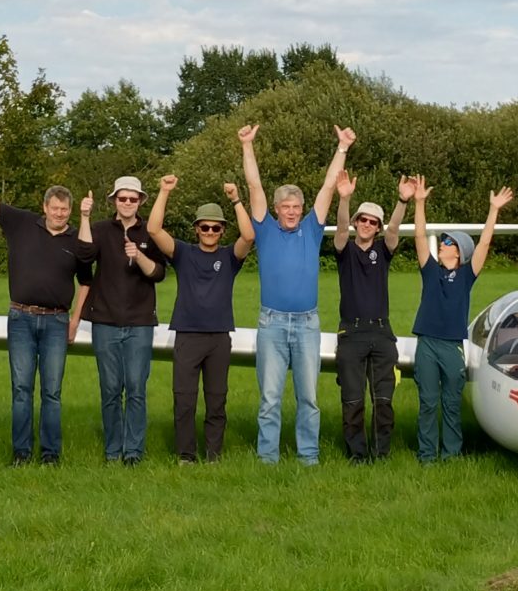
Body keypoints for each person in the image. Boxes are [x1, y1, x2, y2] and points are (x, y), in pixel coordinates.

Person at [236, 122, 354, 467]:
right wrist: (247, 146)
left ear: (302, 209)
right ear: (276, 209)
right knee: (270, 397)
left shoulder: (313, 228)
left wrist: (342, 147)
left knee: (309, 397)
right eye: (285, 207)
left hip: (307, 324)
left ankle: (308, 457)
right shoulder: (265, 229)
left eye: (296, 207)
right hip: (271, 323)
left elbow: (329, 187)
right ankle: (267, 458)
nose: (291, 212)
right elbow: (254, 184)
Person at [0, 142, 90, 467]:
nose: (60, 214)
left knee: (52, 392)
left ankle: (50, 455)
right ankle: (21, 454)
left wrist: (75, 320)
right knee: (22, 389)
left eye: (65, 210)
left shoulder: (76, 240)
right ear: (45, 207)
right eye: (55, 208)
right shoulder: (22, 223)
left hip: (56, 322)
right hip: (21, 318)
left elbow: (87, 282)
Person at [146, 176, 250, 463]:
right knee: (184, 399)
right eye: (204, 227)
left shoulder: (230, 257)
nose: (210, 231)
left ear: (222, 231)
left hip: (218, 337)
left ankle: (214, 454)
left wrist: (236, 200)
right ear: (196, 229)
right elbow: (154, 229)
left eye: (216, 228)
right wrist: (164, 191)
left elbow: (249, 236)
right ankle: (185, 455)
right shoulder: (184, 253)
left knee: (217, 400)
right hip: (188, 336)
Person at [406, 177, 510, 463]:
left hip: (452, 347)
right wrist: (419, 202)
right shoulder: (430, 270)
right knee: (427, 403)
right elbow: (418, 236)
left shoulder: (466, 274)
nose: (442, 244)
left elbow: (485, 242)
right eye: (443, 240)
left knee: (451, 403)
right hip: (427, 343)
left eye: (448, 242)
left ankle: (451, 455)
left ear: (460, 251)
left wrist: (493, 211)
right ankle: (427, 455)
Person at [75, 175, 165, 465]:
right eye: (122, 198)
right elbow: (84, 255)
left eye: (133, 198)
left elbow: (159, 274)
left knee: (136, 389)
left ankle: (133, 452)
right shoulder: (101, 230)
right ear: (113, 200)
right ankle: (113, 451)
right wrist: (85, 217)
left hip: (140, 322)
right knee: (111, 389)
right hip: (105, 322)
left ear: (140, 201)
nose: (127, 203)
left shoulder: (150, 232)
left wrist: (138, 256)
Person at [330, 180, 398, 462]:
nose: (368, 224)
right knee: (353, 399)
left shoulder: (383, 251)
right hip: (352, 332)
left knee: (383, 401)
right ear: (357, 222)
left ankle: (380, 454)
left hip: (382, 332)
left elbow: (394, 231)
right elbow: (342, 229)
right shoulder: (345, 250)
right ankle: (357, 455)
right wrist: (344, 199)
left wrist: (403, 202)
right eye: (364, 219)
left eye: (373, 222)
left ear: (378, 227)